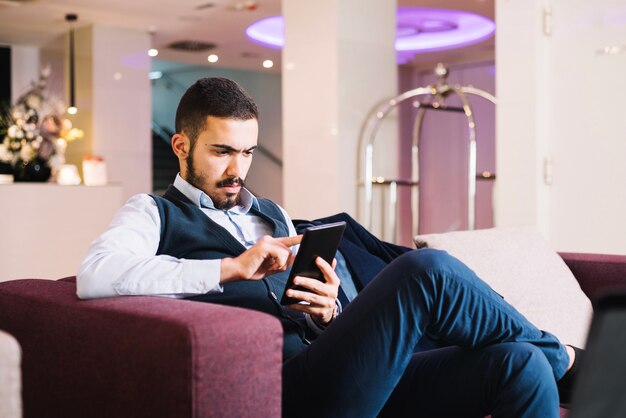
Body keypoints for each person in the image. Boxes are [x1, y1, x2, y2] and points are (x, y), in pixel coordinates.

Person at [78, 77, 581, 418]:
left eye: (247, 152)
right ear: (181, 147)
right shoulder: (151, 212)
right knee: (424, 270)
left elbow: (317, 318)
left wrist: (329, 311)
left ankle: (548, 356)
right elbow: (96, 274)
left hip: (339, 371)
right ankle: (571, 361)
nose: (237, 169)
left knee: (520, 363)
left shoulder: (269, 213)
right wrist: (231, 268)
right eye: (222, 152)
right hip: (285, 390)